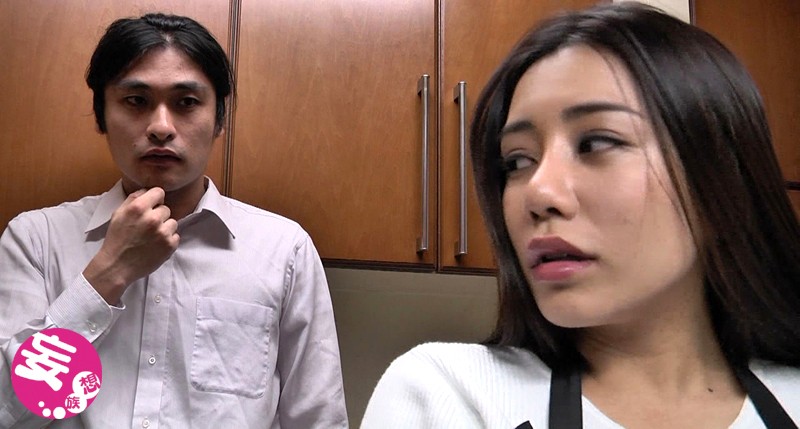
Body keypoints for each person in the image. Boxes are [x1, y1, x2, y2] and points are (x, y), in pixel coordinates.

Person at [361, 3, 800, 428]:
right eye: (516, 161)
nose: (539, 192)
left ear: (720, 178)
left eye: (595, 143)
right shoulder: (449, 394)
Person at [0, 13, 347, 428]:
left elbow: (317, 419)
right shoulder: (35, 240)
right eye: (136, 100)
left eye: (186, 102)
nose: (161, 127)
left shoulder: (284, 250)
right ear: (101, 116)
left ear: (219, 119)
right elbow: (9, 415)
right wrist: (107, 275)